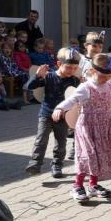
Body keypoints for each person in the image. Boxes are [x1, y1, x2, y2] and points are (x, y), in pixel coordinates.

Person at [51, 54, 111, 202]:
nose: (106, 78)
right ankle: (77, 186)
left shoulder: (109, 86)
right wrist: (59, 108)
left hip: (105, 126)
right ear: (92, 71)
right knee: (87, 155)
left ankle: (93, 185)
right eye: (102, 75)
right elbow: (72, 100)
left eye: (109, 75)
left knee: (99, 155)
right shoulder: (86, 87)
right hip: (88, 126)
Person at [24, 49, 81, 177]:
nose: (71, 70)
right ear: (59, 64)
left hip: (63, 116)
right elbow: (29, 86)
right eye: (68, 67)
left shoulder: (75, 80)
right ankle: (35, 164)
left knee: (61, 142)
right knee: (41, 139)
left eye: (74, 68)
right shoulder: (48, 76)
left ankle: (57, 165)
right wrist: (38, 75)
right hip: (46, 114)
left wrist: (83, 84)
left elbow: (79, 98)